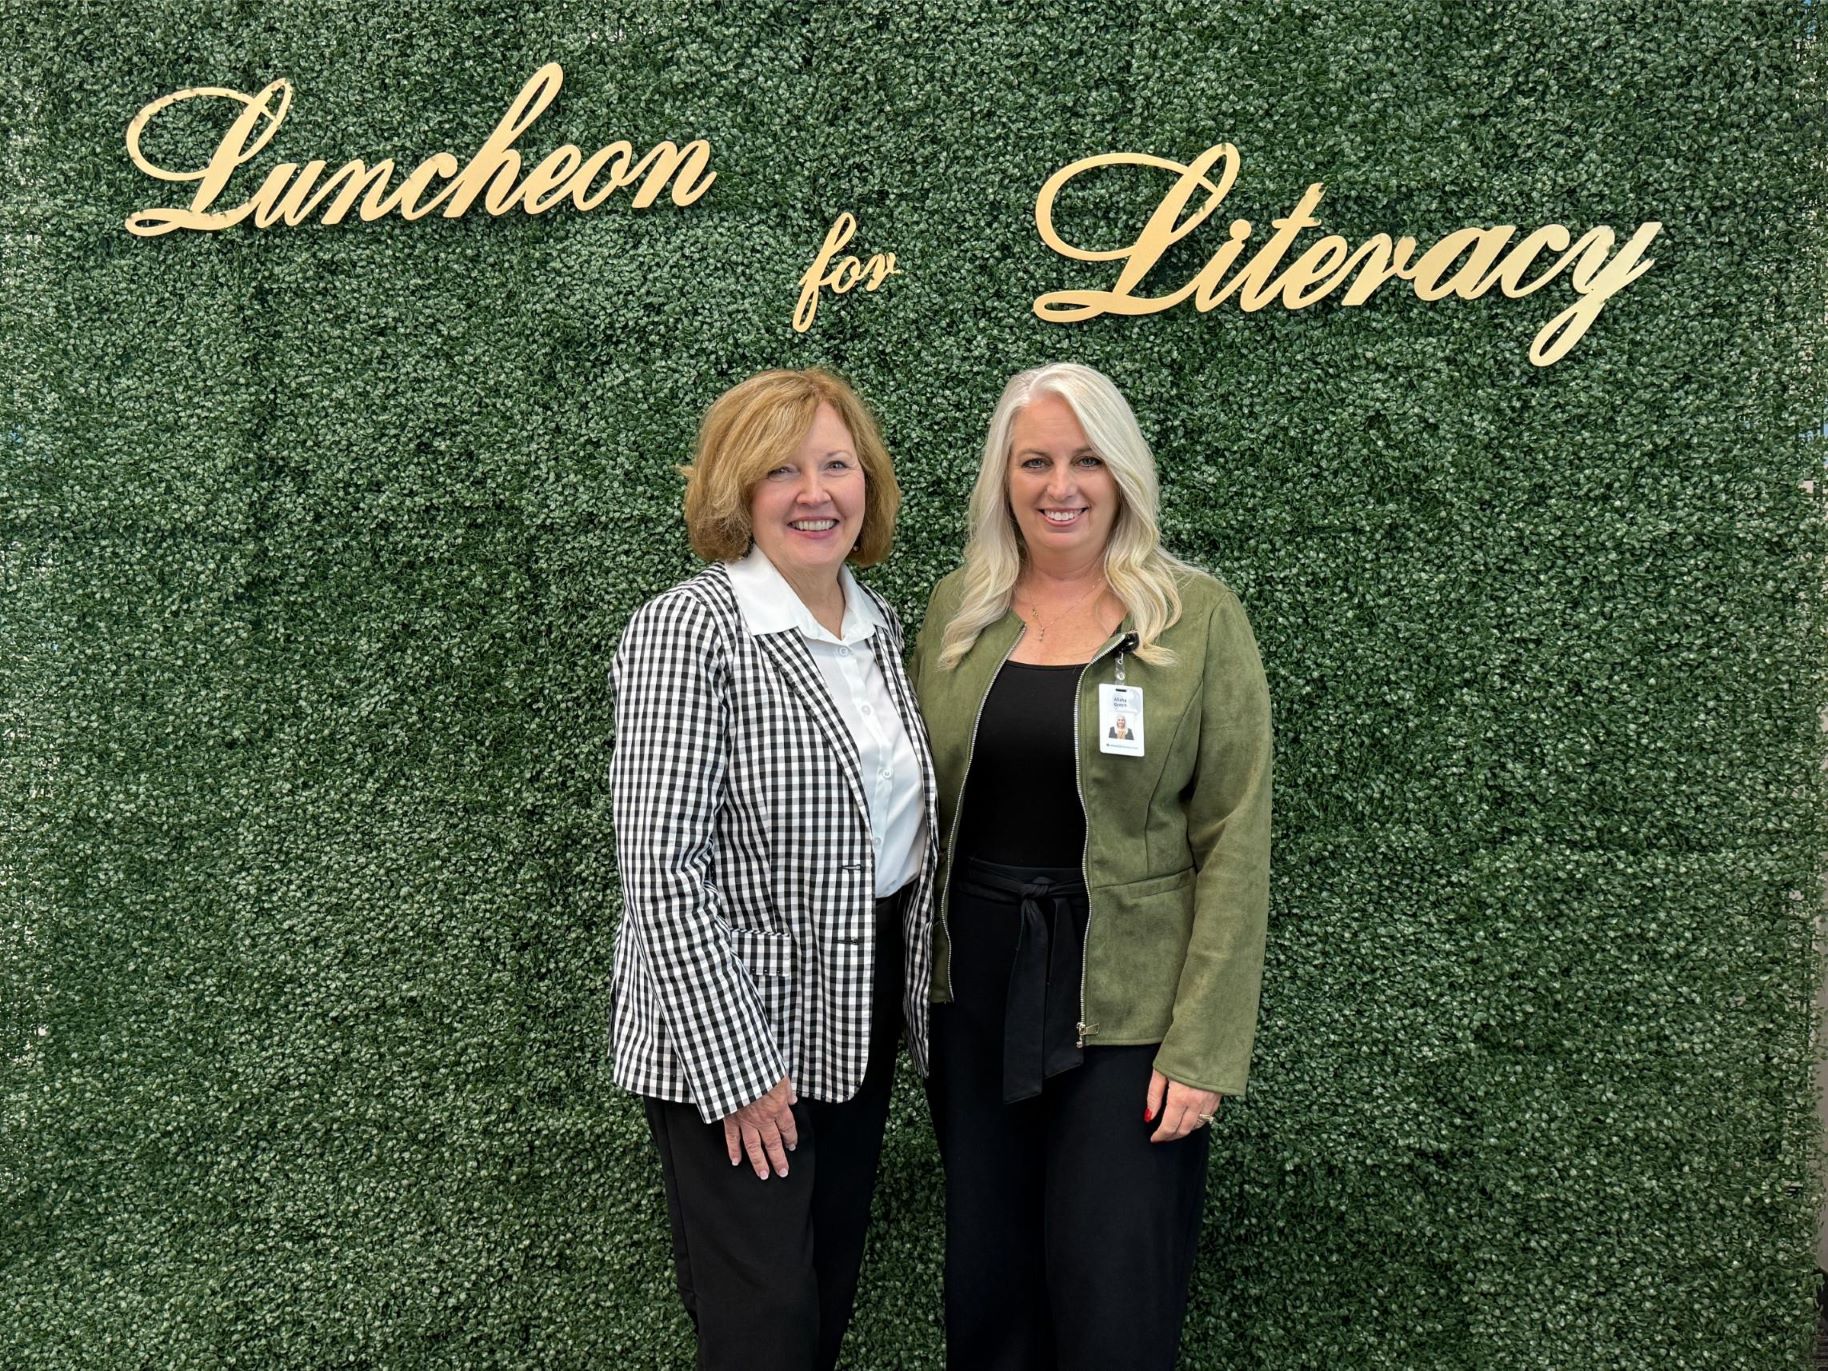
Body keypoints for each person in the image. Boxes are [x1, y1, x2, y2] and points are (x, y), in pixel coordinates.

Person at [910, 362, 1271, 1371]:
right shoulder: (957, 611)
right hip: (973, 999)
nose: (1060, 486)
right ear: (1003, 475)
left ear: (1122, 473)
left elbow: (1234, 840)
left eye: (1086, 460)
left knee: (1114, 1300)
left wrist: (1202, 1048)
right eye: (1035, 461)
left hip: (1129, 1006)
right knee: (990, 1297)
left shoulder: (1196, 618)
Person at [608, 368, 937, 1371]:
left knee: (822, 1304)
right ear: (737, 491)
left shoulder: (879, 629)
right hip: (733, 1023)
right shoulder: (689, 629)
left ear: (868, 483)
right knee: (766, 1326)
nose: (815, 492)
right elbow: (660, 869)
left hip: (856, 1013)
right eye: (782, 471)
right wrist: (741, 1073)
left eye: (836, 465)